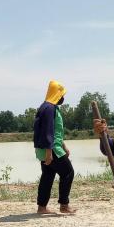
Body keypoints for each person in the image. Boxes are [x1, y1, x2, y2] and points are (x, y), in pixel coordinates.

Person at [33, 80, 76, 214]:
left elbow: (56, 130)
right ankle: (64, 205)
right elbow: (47, 131)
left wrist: (64, 145)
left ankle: (42, 207)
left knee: (48, 175)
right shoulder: (49, 108)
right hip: (51, 149)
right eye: (62, 94)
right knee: (68, 172)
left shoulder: (47, 107)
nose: (63, 98)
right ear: (57, 94)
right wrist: (49, 153)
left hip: (51, 147)